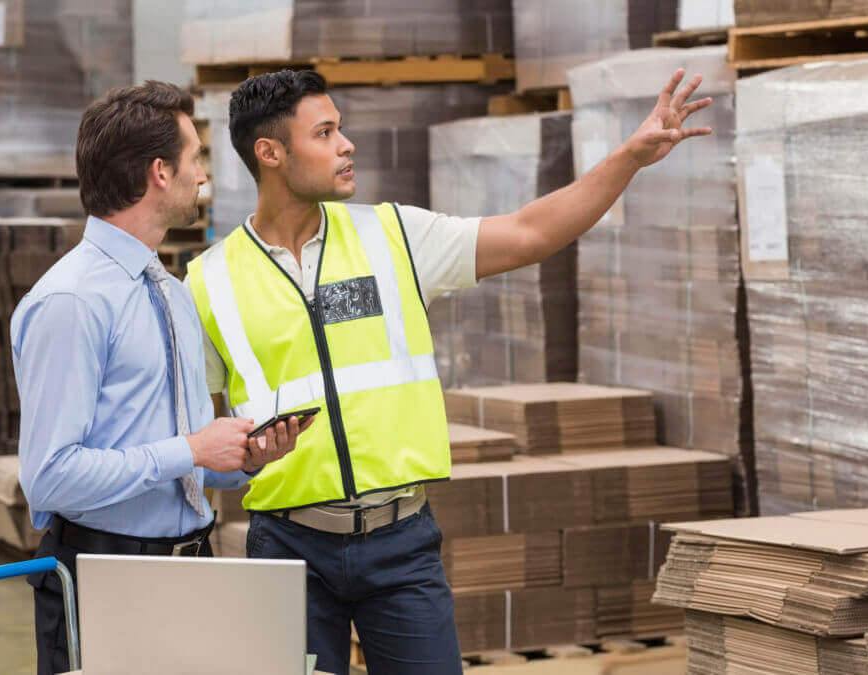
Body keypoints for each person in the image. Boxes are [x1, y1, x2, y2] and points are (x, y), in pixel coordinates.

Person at [184, 69, 713, 674]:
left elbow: (529, 233)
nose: (346, 144)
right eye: (325, 132)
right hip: (285, 549)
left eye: (342, 128)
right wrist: (243, 461)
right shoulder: (209, 281)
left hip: (401, 544)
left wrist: (629, 157)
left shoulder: (393, 236)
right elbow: (197, 441)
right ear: (270, 153)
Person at [11, 81, 311, 675]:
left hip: (190, 567)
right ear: (159, 173)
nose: (204, 176)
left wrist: (240, 458)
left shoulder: (171, 295)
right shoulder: (71, 302)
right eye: (195, 158)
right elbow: (48, 479)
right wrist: (190, 448)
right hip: (104, 578)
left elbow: (181, 460)